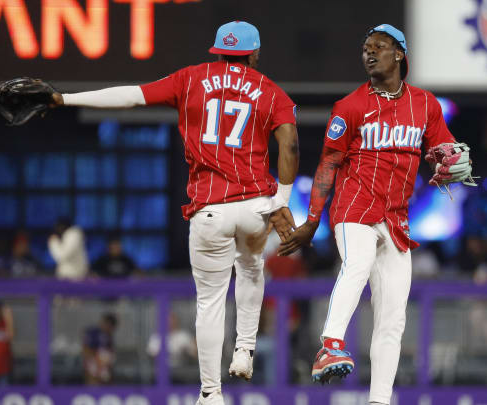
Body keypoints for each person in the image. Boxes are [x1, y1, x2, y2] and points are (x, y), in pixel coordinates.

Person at [32, 21, 298, 404]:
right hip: (255, 203)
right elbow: (289, 143)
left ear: (217, 51)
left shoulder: (191, 78)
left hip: (210, 210)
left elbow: (131, 96)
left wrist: (65, 99)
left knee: (209, 301)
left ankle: (211, 392)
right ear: (253, 54)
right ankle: (245, 348)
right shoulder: (270, 91)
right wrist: (282, 201)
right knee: (252, 269)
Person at [278, 24, 474, 405]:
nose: (369, 53)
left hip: (397, 220)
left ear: (400, 54)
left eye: (379, 47)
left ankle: (379, 399)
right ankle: (330, 345)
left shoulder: (424, 104)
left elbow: (443, 147)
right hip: (354, 210)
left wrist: (451, 159)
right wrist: (313, 220)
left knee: (393, 316)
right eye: (366, 47)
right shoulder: (349, 106)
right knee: (358, 263)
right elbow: (327, 166)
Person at [82, 313, 118, 385]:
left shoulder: (109, 336)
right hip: (93, 362)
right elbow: (86, 349)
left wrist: (107, 360)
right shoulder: (93, 332)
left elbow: (110, 352)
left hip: (104, 365)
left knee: (106, 379)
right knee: (93, 379)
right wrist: (97, 359)